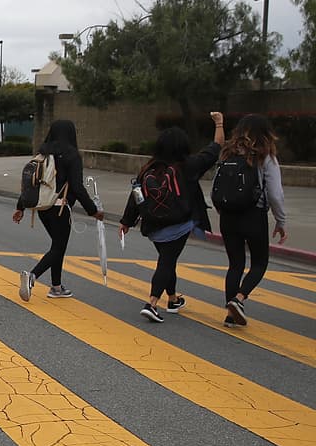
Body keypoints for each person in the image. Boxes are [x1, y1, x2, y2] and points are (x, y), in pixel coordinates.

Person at [120, 112, 224, 323]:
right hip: (179, 224)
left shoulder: (147, 169)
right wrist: (219, 123)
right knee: (167, 262)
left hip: (153, 225)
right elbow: (215, 149)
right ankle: (151, 303)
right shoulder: (188, 166)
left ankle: (173, 298)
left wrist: (126, 222)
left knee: (168, 260)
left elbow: (136, 197)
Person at [12, 120, 104, 300]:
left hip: (42, 207)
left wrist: (20, 207)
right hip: (60, 208)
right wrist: (92, 210)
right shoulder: (72, 155)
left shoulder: (43, 152)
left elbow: (32, 184)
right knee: (59, 247)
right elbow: (77, 187)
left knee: (57, 246)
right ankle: (32, 276)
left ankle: (56, 286)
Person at [216, 114, 287, 327]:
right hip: (253, 215)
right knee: (259, 262)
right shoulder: (265, 156)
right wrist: (281, 221)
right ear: (266, 133)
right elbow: (275, 194)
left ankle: (230, 315)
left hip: (228, 215)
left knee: (235, 264)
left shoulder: (227, 152)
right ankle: (239, 299)